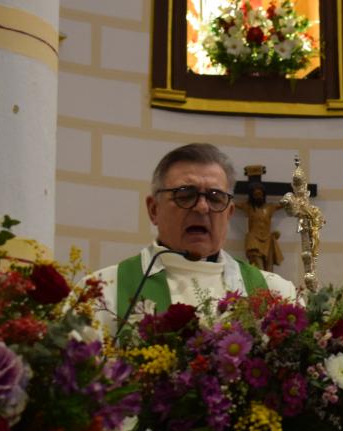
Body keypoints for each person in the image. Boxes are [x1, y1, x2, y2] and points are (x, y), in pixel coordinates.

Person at [91, 143, 295, 333]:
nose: (202, 207)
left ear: (229, 214)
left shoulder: (276, 294)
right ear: (154, 210)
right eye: (185, 194)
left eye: (215, 197)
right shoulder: (102, 293)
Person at [237, 182, 284, 273]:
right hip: (253, 239)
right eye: (255, 194)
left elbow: (285, 205)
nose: (258, 196)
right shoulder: (249, 207)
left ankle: (269, 287)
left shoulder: (270, 207)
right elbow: (232, 204)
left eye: (260, 194)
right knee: (258, 268)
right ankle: (259, 285)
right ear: (252, 196)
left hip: (267, 239)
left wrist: (297, 197)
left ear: (263, 195)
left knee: (269, 270)